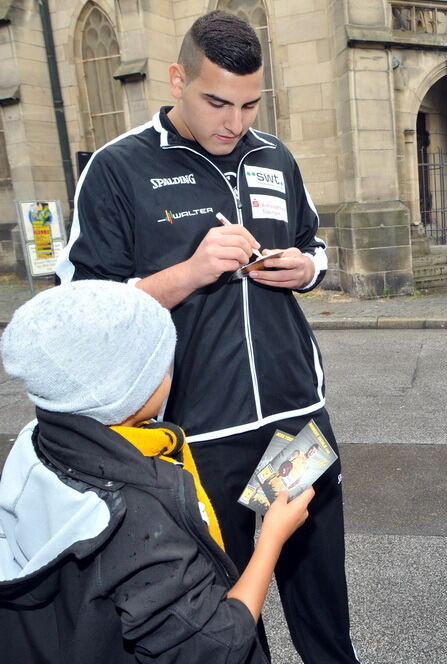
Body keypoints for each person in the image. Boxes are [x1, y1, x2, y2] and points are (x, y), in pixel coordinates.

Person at [55, 11, 358, 662]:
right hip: (199, 438)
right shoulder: (118, 169)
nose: (234, 122)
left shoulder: (274, 156)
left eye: (250, 104)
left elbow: (313, 247)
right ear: (176, 80)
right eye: (216, 101)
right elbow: (87, 308)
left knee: (321, 600)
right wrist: (188, 273)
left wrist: (307, 269)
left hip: (293, 423)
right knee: (226, 618)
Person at [0, 280, 314, 663]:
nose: (170, 369)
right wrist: (273, 538)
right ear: (127, 386)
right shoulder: (139, 514)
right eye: (160, 362)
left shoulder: (38, 438)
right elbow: (217, 645)